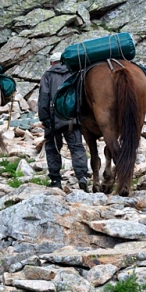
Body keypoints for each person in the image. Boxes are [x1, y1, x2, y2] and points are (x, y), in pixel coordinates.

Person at [38, 52, 89, 191]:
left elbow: (44, 97)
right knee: (77, 147)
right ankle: (82, 176)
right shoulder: (74, 73)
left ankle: (55, 180)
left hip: (53, 120)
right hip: (72, 118)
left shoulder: (48, 75)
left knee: (52, 148)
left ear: (51, 63)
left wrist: (44, 118)